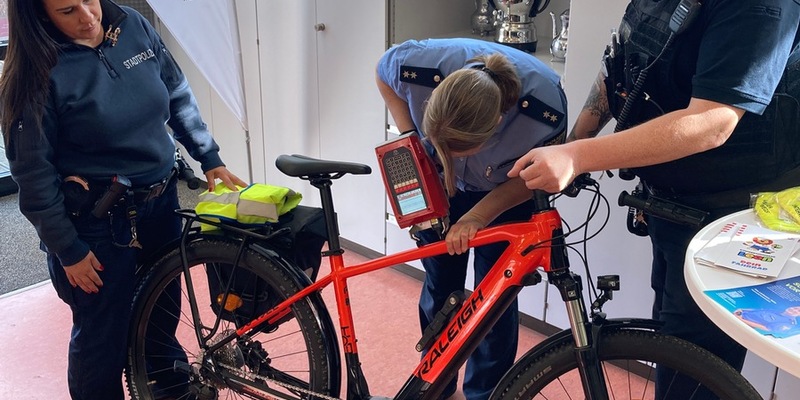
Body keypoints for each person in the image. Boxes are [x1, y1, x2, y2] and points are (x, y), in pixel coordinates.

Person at [508, 0, 800, 398]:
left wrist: (577, 158)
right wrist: (574, 142)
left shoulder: (759, 6)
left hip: (723, 222)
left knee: (694, 367)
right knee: (671, 344)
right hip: (669, 208)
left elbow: (712, 122)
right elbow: (624, 64)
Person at [0, 0, 247, 399]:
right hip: (96, 224)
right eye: (67, 11)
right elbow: (32, 175)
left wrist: (209, 157)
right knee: (102, 338)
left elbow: (176, 93)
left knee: (162, 315)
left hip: (159, 199)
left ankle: (169, 391)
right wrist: (69, 251)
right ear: (39, 14)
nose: (87, 17)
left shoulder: (131, 25)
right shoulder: (35, 71)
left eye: (89, 0)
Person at [376, 37, 567, 400]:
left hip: (506, 192)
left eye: (459, 148)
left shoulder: (544, 109)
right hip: (439, 183)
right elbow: (381, 73)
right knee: (438, 286)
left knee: (493, 295)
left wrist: (479, 215)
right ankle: (437, 382)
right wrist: (410, 139)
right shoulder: (418, 64)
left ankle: (487, 392)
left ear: (496, 125)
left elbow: (534, 179)